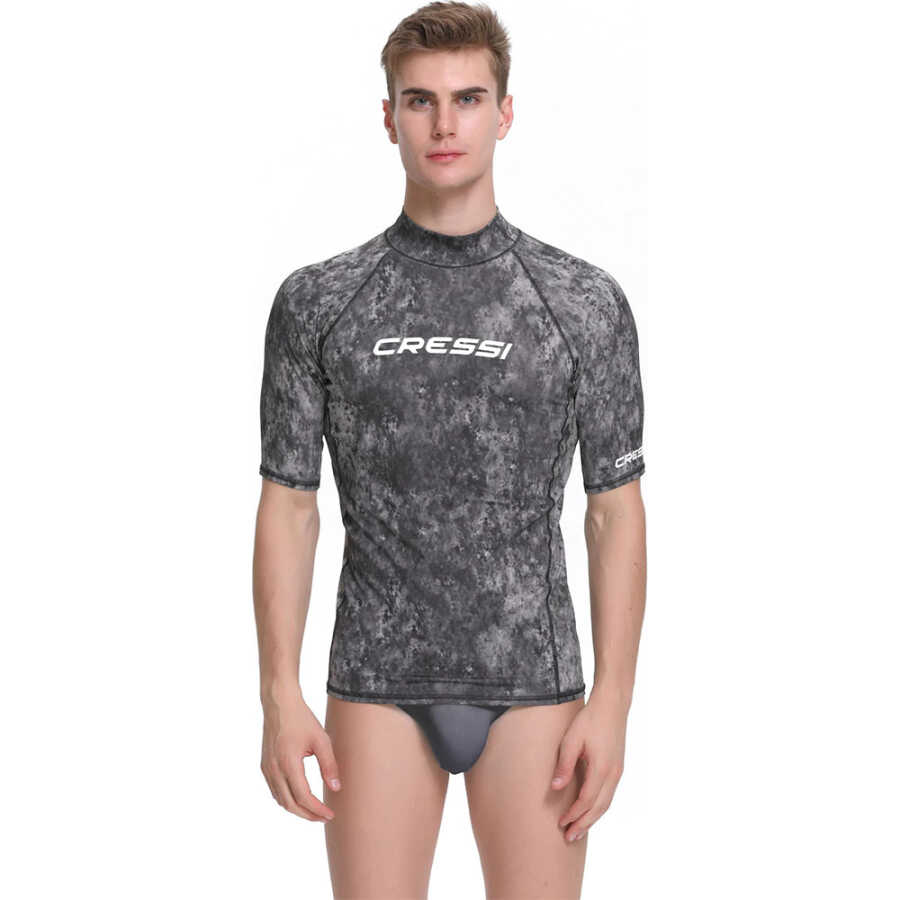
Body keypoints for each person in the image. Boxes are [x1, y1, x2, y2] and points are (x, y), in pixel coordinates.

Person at [251, 3, 647, 897]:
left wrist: (614, 702)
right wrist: (278, 694)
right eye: (420, 101)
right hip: (376, 679)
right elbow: (290, 503)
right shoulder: (319, 303)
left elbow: (613, 510)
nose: (443, 124)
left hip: (534, 682)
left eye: (467, 99)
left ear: (504, 113)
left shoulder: (582, 303)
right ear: (388, 116)